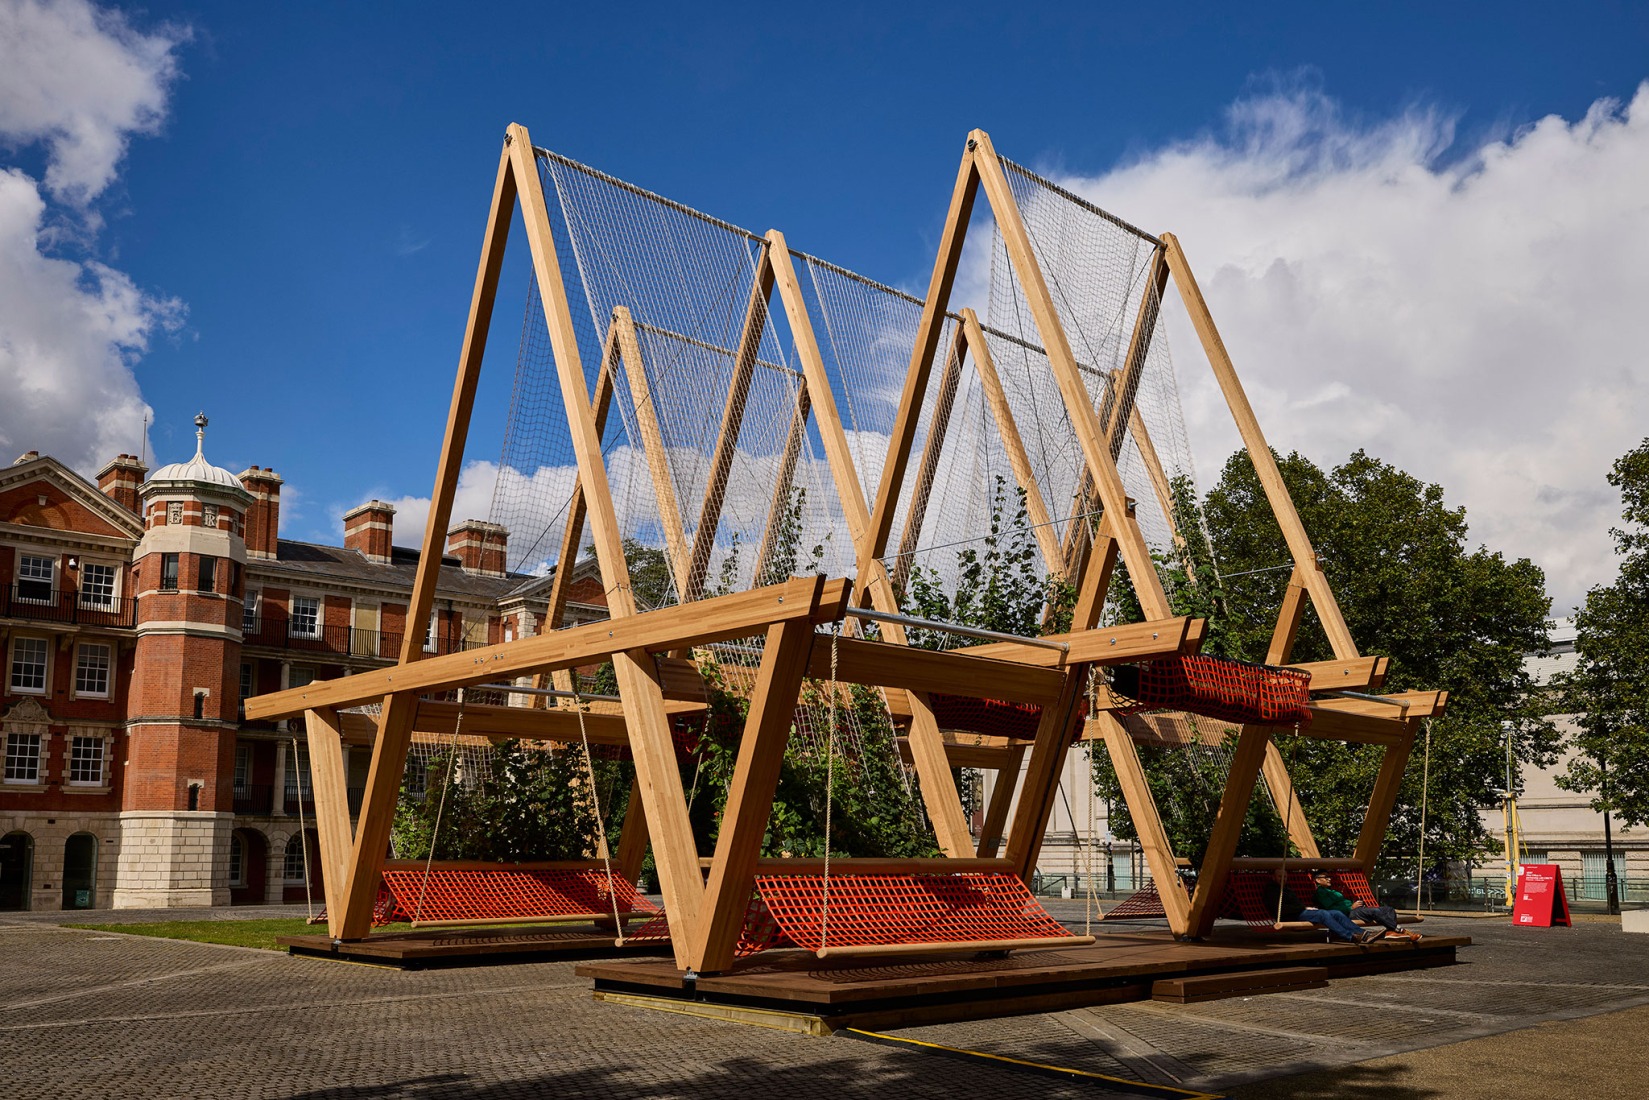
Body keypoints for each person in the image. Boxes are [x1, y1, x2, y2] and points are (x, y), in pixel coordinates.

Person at [1260, 872, 1385, 944]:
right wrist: (1303, 908)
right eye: (1280, 877)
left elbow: (1296, 904)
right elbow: (1281, 908)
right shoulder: (1272, 891)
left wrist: (1305, 908)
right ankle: (1350, 936)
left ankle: (1362, 932)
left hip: (1300, 911)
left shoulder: (1286, 889)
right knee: (1323, 915)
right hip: (1290, 916)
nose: (1283, 879)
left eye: (1285, 877)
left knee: (1336, 913)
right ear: (1273, 877)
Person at [1311, 869, 1421, 942]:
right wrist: (1351, 907)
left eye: (1329, 877)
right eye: (1325, 877)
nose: (1329, 879)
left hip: (1354, 910)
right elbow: (1330, 908)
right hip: (1347, 913)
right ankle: (1400, 931)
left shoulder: (1331, 891)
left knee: (1388, 909)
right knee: (1376, 912)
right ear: (1317, 880)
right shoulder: (1321, 892)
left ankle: (1390, 931)